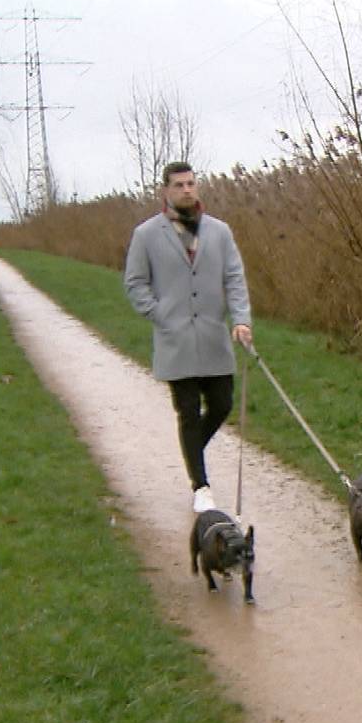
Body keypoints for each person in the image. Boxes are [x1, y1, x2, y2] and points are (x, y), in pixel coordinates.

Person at [123, 161, 253, 512]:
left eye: (191, 184)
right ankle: (201, 484)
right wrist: (158, 312)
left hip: (214, 338)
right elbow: (135, 283)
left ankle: (191, 449)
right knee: (188, 413)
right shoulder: (147, 234)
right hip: (175, 340)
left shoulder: (220, 232)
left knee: (222, 404)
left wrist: (241, 320)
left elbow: (234, 280)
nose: (186, 190)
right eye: (179, 185)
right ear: (165, 190)